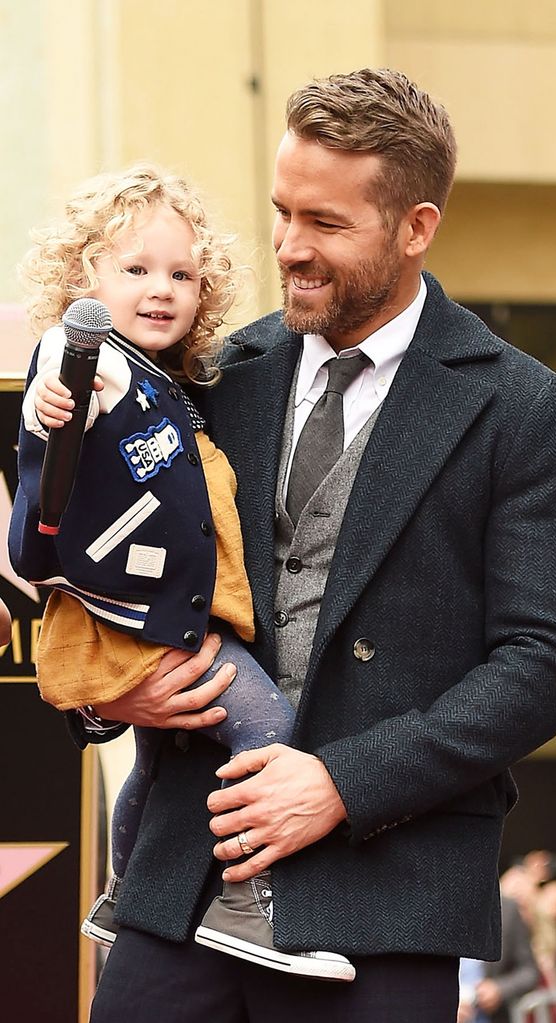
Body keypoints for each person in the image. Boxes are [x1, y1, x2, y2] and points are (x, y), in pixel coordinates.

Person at [62, 68, 556, 1023]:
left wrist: (344, 784)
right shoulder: (215, 372)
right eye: (281, 212)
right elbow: (107, 555)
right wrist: (113, 697)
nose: (289, 249)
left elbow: (545, 664)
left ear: (416, 226)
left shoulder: (524, 408)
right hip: (182, 883)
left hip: (387, 900)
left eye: (326, 223)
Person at [8, 162, 353, 981]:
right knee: (268, 727)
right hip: (136, 622)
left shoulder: (181, 380)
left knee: (156, 763)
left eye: (181, 274)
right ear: (81, 276)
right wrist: (49, 397)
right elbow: (61, 379)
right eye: (134, 270)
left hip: (151, 617)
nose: (159, 289)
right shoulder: (94, 353)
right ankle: (249, 901)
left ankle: (124, 887)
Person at [458, 895, 540, 1023]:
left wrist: (499, 989)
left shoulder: (507, 908)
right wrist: (445, 1002)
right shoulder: (431, 903)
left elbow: (529, 971)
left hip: (490, 1016)